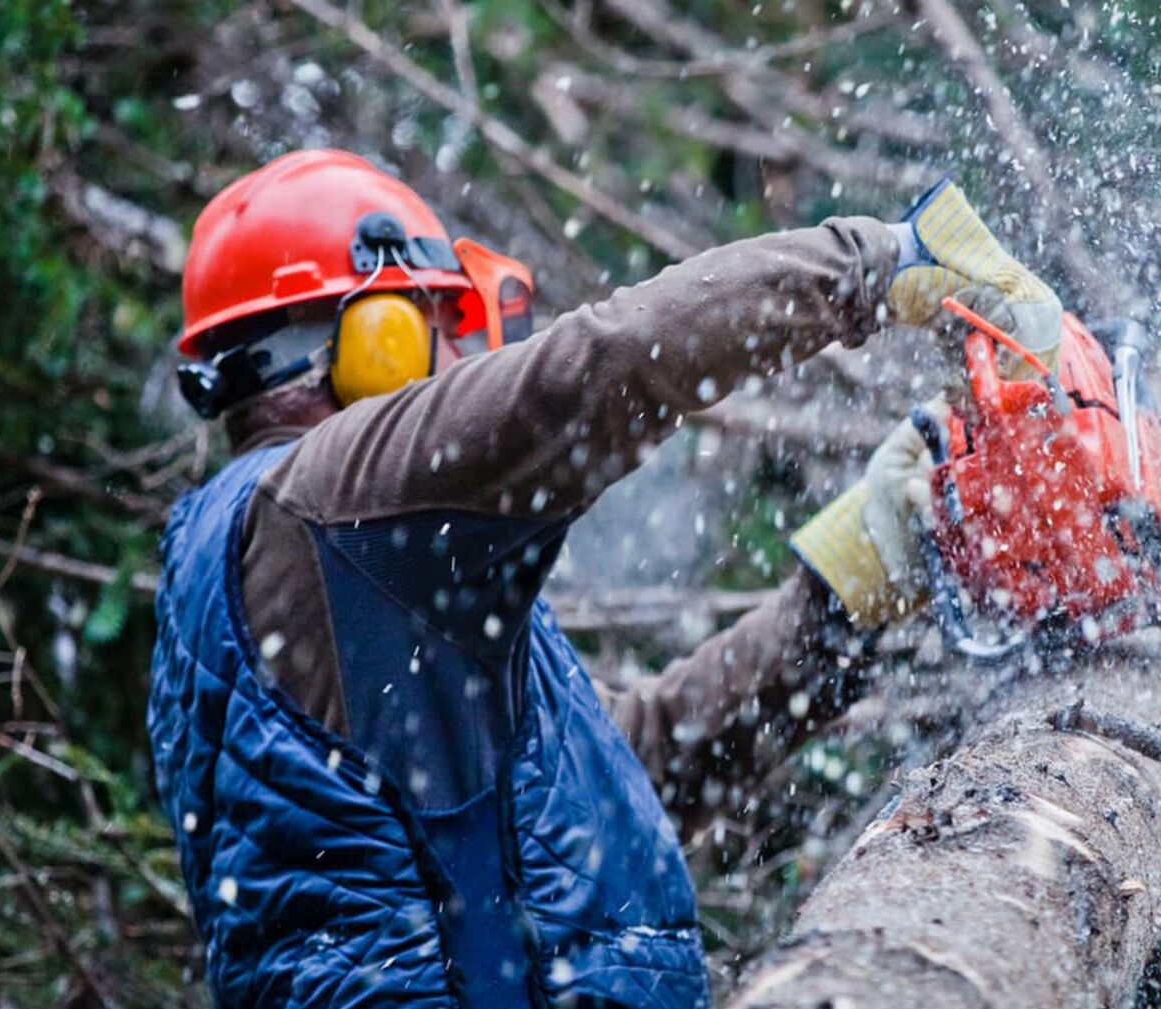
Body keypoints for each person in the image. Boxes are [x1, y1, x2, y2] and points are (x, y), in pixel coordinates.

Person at [147, 149, 1061, 1008]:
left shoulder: (319, 564)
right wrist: (880, 262)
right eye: (435, 327)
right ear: (369, 340)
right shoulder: (331, 502)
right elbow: (597, 370)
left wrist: (846, 591)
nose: (459, 363)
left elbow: (615, 782)